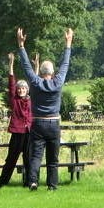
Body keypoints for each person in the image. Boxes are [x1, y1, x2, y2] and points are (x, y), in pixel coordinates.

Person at [17, 27, 73, 191]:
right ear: (53, 72)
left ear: (40, 72)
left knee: (36, 156)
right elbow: (66, 64)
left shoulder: (35, 82)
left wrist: (21, 46)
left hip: (38, 123)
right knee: (52, 158)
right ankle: (52, 185)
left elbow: (26, 65)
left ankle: (33, 181)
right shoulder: (58, 81)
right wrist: (68, 43)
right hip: (54, 123)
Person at [0, 52, 31, 188]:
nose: (21, 90)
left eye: (23, 88)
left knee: (28, 160)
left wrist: (37, 66)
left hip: (28, 133)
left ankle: (29, 182)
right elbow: (11, 83)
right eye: (19, 88)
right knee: (11, 160)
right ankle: (2, 182)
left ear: (27, 90)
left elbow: (34, 81)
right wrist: (11, 65)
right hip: (17, 134)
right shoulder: (14, 100)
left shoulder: (30, 100)